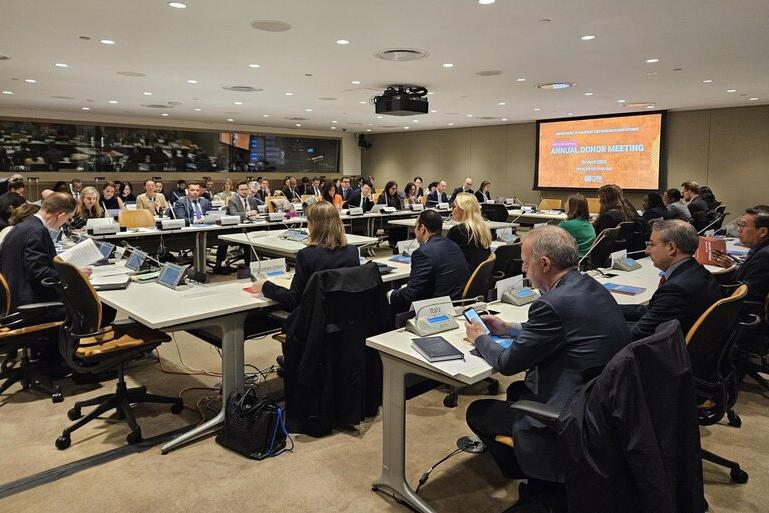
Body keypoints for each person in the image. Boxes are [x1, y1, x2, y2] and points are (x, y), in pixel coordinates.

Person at [463, 226, 629, 512]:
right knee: (518, 390)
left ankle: (544, 489)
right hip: (601, 407)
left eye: (526, 263)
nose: (523, 270)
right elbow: (560, 327)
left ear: (544, 264)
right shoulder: (588, 286)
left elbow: (507, 364)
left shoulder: (550, 304)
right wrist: (508, 328)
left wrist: (479, 337)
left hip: (571, 416)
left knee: (479, 411)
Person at [248, 201, 359, 311]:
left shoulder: (307, 255)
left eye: (308, 223)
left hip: (315, 318)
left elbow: (294, 299)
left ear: (313, 225)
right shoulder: (352, 252)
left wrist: (265, 286)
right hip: (346, 316)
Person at [622, 220, 722, 340]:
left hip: (667, 348)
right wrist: (610, 308)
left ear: (671, 248)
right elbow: (650, 310)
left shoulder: (676, 289)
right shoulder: (699, 272)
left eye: (652, 244)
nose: (647, 251)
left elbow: (638, 333)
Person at [1, 192, 76, 312]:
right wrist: (73, 275)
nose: (66, 222)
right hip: (31, 305)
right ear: (60, 215)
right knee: (85, 308)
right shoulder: (37, 231)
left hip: (14, 299)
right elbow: (39, 272)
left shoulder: (20, 227)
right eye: (68, 218)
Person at [389, 209, 470, 314]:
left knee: (389, 301)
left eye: (416, 227)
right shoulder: (453, 245)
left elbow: (411, 294)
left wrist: (391, 294)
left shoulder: (423, 253)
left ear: (422, 229)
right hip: (456, 302)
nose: (415, 231)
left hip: (437, 309)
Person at [711, 206, 769, 303]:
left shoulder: (764, 256)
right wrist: (732, 267)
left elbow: (747, 295)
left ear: (763, 232)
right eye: (739, 224)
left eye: (743, 225)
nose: (738, 229)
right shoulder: (760, 249)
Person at [447, 193, 492, 270]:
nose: (452, 209)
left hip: (465, 274)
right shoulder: (483, 228)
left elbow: (445, 256)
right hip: (479, 274)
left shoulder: (458, 230)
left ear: (463, 210)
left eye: (454, 206)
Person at [558, 194, 596, 258]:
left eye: (566, 204)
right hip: (584, 259)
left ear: (572, 208)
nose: (564, 206)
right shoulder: (587, 223)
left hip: (571, 258)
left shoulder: (567, 225)